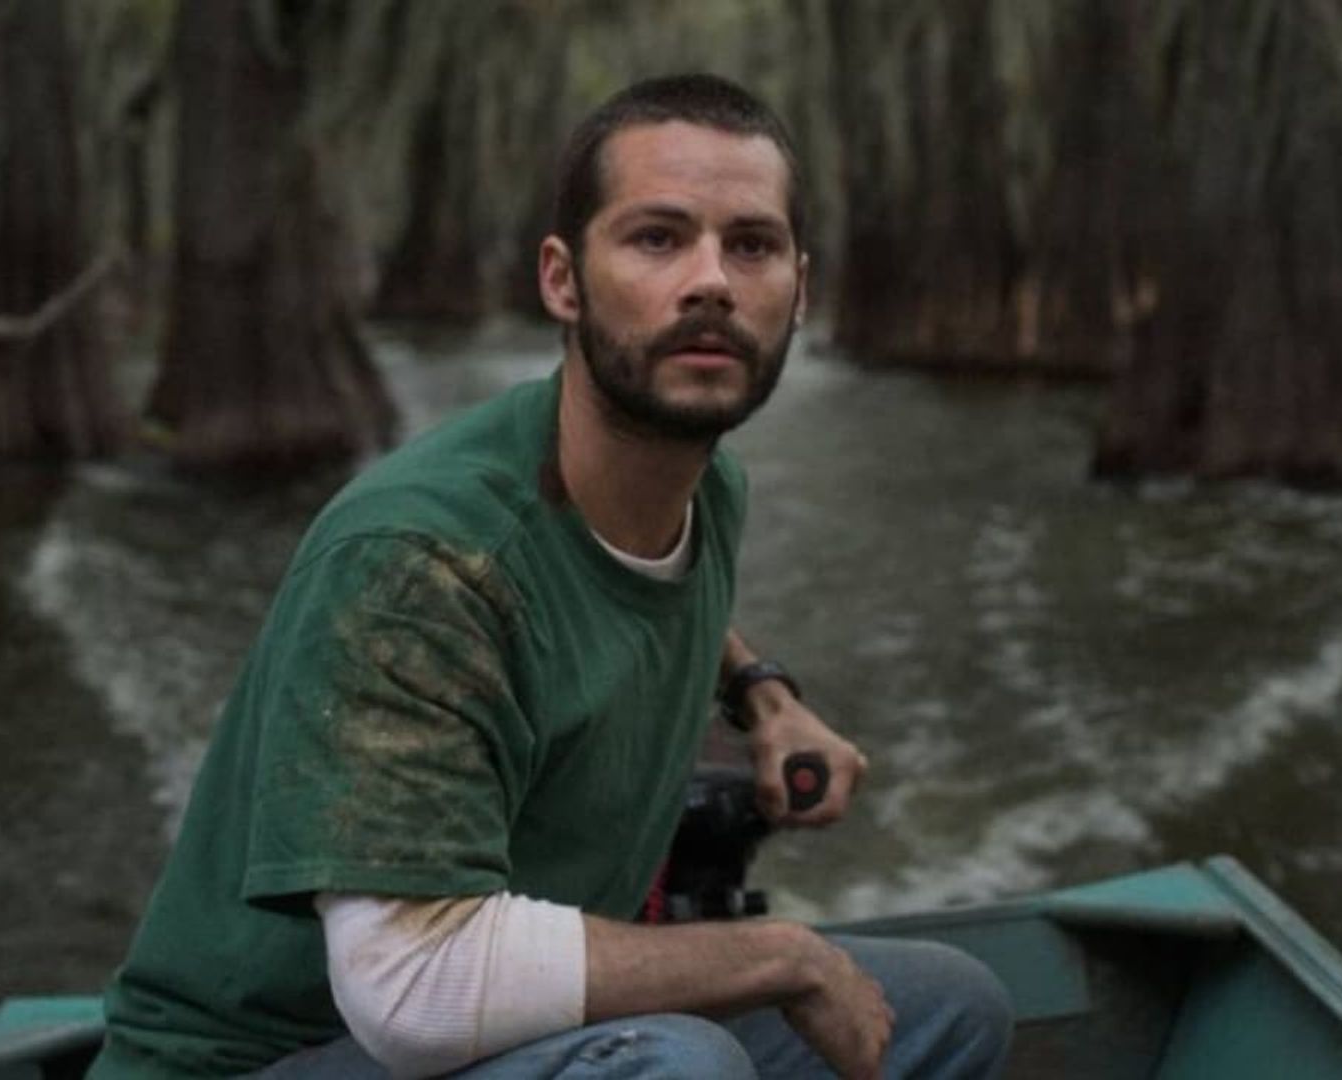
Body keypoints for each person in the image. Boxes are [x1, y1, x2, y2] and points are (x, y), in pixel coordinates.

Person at [90, 73, 1012, 1080]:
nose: (709, 280)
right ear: (562, 280)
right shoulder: (418, 561)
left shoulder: (706, 493)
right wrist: (778, 954)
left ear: (800, 288)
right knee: (676, 1066)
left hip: (505, 1037)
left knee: (951, 1008)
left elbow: (630, 588)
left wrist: (762, 695)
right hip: (277, 1055)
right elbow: (413, 991)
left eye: (748, 245)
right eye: (657, 239)